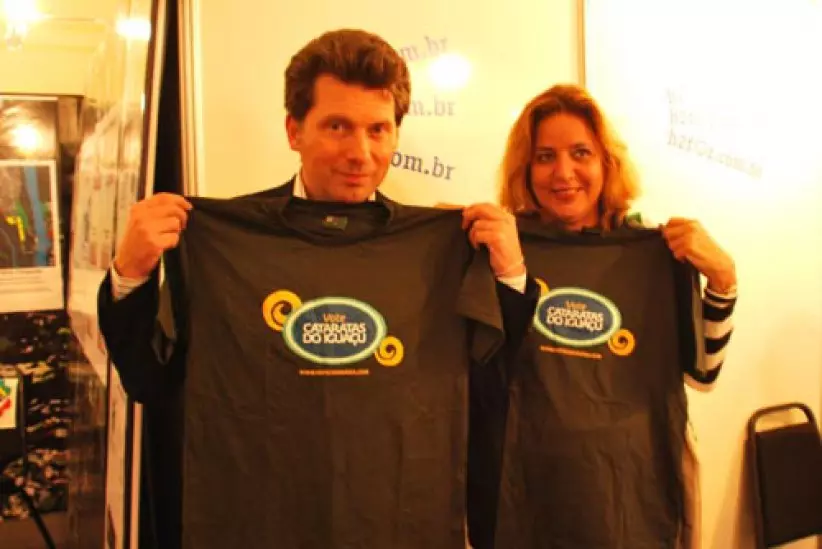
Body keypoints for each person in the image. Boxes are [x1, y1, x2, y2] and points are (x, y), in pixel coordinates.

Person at [98, 29, 537, 548]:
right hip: (260, 526)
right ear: (294, 130)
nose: (360, 153)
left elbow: (492, 378)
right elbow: (148, 380)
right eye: (337, 126)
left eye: (378, 130)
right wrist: (131, 273)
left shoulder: (437, 248)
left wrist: (510, 273)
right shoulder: (224, 243)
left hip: (390, 524)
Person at [483, 84, 737, 549]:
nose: (564, 173)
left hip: (633, 497)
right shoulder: (501, 248)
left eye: (580, 153)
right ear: (526, 169)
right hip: (529, 495)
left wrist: (723, 280)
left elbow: (702, 374)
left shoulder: (655, 250)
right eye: (544, 157)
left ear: (606, 162)